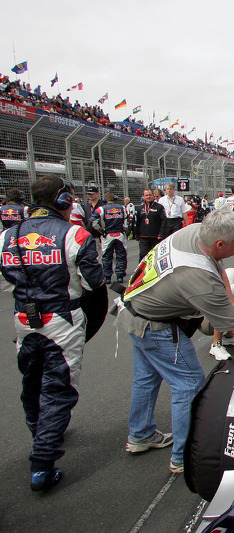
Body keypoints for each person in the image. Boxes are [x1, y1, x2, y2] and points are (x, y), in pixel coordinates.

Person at [118, 209, 234, 474]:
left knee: (146, 378)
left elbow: (219, 274)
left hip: (135, 309)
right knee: (189, 383)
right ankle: (184, 457)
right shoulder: (198, 276)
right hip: (156, 325)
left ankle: (140, 435)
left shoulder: (195, 233)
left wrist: (229, 304)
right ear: (220, 244)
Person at [0, 176, 106, 491]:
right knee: (58, 390)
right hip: (63, 319)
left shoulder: (8, 235)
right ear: (62, 200)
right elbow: (93, 282)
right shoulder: (76, 234)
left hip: (23, 319)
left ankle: (40, 434)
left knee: (31, 383)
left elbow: (7, 279)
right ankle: (42, 465)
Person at [90, 192, 128, 283]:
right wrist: (125, 229)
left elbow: (93, 222)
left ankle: (107, 277)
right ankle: (120, 276)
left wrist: (100, 230)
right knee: (121, 256)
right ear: (115, 198)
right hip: (120, 235)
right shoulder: (122, 208)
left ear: (104, 200)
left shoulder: (100, 209)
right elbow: (127, 220)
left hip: (107, 235)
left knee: (106, 257)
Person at [132, 189, 167, 261]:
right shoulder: (140, 208)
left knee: (156, 256)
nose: (148, 197)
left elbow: (164, 221)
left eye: (150, 195)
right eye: (146, 195)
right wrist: (137, 235)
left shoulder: (159, 207)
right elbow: (137, 222)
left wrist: (161, 234)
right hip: (144, 237)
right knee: (143, 256)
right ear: (143, 197)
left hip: (156, 237)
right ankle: (142, 272)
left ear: (153, 196)